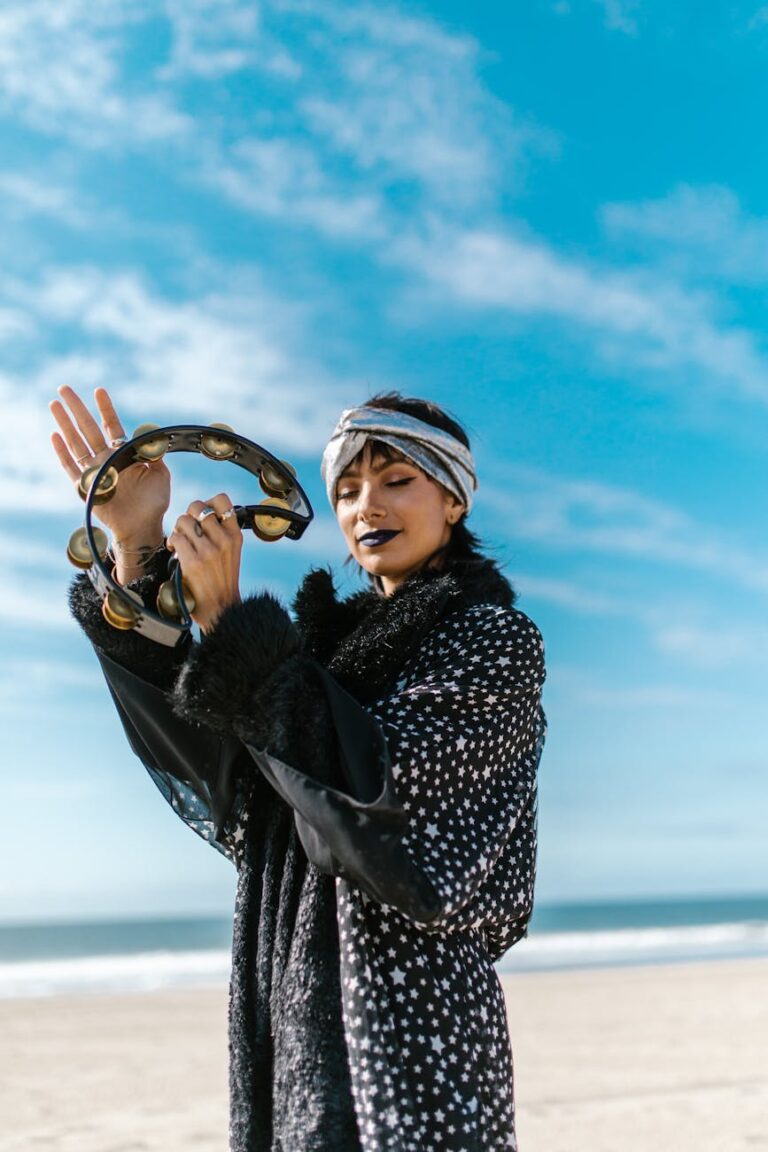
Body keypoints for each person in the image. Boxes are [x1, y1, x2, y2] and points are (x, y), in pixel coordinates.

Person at [50, 385, 547, 1152]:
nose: (365, 506)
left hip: (413, 1023)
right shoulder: (324, 664)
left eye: (397, 480)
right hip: (291, 1006)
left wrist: (229, 625)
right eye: (347, 490)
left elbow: (385, 806)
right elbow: (230, 788)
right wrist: (137, 545)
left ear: (454, 501)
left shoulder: (495, 642)